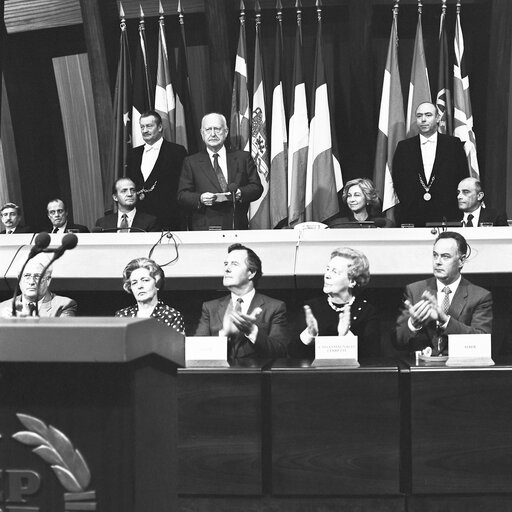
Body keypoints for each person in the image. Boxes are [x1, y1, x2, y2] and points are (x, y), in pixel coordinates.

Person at [395, 231, 492, 355]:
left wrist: (445, 320)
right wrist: (413, 324)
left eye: (445, 256)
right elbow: (397, 341)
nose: (438, 262)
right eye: (435, 255)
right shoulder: (415, 291)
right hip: (421, 370)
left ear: (461, 261)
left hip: (461, 370)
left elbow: (482, 342)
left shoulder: (480, 296)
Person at [195, 243, 288, 359]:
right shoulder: (209, 307)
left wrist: (252, 330)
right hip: (218, 376)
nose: (227, 269)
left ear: (251, 273)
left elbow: (280, 352)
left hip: (256, 376)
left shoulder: (275, 307)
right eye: (226, 264)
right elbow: (195, 353)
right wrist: (224, 334)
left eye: (234, 264)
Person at [177, 113, 263, 230]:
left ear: (226, 132)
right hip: (204, 228)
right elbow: (182, 195)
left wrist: (240, 193)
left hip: (236, 225)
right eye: (208, 129)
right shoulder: (191, 162)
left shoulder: (243, 158)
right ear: (202, 133)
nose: (213, 134)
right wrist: (200, 198)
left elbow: (257, 188)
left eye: (217, 129)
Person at [291, 247, 380, 359]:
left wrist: (346, 336)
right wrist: (309, 335)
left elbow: (373, 357)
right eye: (328, 269)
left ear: (352, 281)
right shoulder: (311, 308)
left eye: (334, 272)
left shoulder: (368, 311)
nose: (327, 275)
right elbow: (292, 355)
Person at [392, 102, 469, 227]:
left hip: (447, 213)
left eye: (428, 115)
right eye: (419, 116)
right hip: (412, 214)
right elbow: (398, 179)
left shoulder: (453, 144)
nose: (423, 120)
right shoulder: (404, 147)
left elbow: (462, 177)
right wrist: (410, 204)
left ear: (438, 118)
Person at [127, 110, 187, 230]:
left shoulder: (177, 151)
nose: (144, 130)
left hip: (168, 219)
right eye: (142, 127)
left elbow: (182, 186)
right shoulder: (133, 154)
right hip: (139, 220)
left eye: (149, 126)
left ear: (160, 127)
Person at [115, 257, 184, 334]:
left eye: (145, 280)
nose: (139, 286)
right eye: (134, 283)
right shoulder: (122, 315)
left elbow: (176, 345)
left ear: (157, 283)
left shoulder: (172, 316)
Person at [0, 255, 77, 317]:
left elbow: (64, 335)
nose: (31, 282)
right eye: (27, 276)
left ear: (48, 280)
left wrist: (29, 321)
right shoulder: (3, 307)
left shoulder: (64, 305)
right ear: (19, 279)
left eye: (37, 277)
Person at [95, 177, 161, 232]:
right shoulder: (102, 224)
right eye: (124, 191)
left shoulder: (150, 222)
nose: (130, 194)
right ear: (115, 197)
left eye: (133, 190)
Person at [329, 178, 394, 227]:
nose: (352, 200)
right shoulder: (337, 225)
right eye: (349, 196)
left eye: (357, 195)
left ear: (367, 198)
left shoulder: (382, 224)